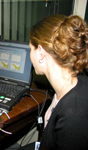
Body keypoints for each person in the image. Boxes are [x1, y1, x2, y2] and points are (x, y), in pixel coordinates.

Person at [20, 14, 88, 150]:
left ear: (40, 53)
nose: (30, 55)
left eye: (30, 49)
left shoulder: (72, 117)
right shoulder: (75, 82)